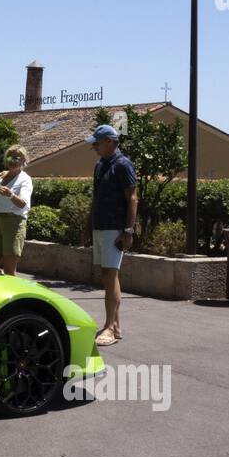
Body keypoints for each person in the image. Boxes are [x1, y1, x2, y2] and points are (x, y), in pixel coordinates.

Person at [87, 124, 138, 347]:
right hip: (100, 226)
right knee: (106, 276)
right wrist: (87, 226)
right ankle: (114, 326)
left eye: (97, 143)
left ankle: (109, 327)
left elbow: (133, 198)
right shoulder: (100, 165)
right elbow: (96, 198)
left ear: (110, 141)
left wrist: (128, 230)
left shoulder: (123, 165)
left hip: (114, 228)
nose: (95, 148)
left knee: (110, 275)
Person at [0, 145, 33, 276]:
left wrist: (11, 195)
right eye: (9, 157)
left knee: (9, 269)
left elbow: (23, 204)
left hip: (14, 223)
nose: (12, 160)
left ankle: (11, 294)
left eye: (17, 157)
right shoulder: (0, 177)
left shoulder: (25, 179)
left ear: (24, 160)